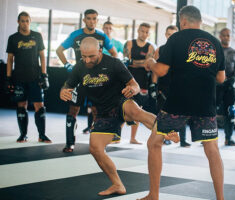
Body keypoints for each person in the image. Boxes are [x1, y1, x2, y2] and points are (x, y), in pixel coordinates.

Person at [59, 37, 177, 196]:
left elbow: (134, 85)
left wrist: (133, 90)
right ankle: (117, 184)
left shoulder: (114, 63)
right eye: (84, 56)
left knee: (135, 111)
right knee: (95, 148)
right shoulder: (79, 67)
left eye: (91, 56)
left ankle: (168, 131)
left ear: (100, 51)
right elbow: (67, 86)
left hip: (121, 101)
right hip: (103, 113)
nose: (87, 60)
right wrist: (63, 92)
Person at [139, 6, 225, 200]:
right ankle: (221, 198)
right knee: (212, 149)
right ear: (200, 20)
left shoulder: (176, 39)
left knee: (155, 143)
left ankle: (154, 194)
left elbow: (160, 71)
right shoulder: (215, 43)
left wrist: (151, 62)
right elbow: (221, 77)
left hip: (178, 103)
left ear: (182, 21)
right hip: (206, 105)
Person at [56, 9, 118, 152]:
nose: (91, 21)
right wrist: (67, 65)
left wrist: (109, 70)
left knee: (97, 111)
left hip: (98, 80)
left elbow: (114, 54)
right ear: (84, 20)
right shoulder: (76, 35)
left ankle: (97, 144)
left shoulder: (101, 36)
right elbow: (59, 50)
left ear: (97, 20)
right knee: (73, 110)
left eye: (94, 18)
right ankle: (70, 143)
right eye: (89, 18)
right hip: (79, 78)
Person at [5, 11, 51, 143]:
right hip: (19, 77)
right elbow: (9, 59)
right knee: (21, 105)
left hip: (35, 77)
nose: (25, 23)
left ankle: (42, 135)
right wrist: (8, 78)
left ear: (30, 21)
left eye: (27, 21)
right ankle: (23, 134)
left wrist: (44, 75)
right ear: (18, 22)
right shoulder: (13, 38)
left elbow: (42, 56)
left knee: (40, 106)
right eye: (22, 21)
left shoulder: (37, 36)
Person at [153, 25, 190, 147]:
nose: (171, 36)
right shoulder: (160, 49)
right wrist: (153, 85)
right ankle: (165, 137)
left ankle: (183, 140)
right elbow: (155, 69)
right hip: (163, 86)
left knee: (182, 113)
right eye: (169, 34)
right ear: (165, 35)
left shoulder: (184, 49)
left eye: (173, 34)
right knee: (163, 113)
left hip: (179, 86)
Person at [123, 23, 156, 144]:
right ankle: (116, 136)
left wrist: (136, 62)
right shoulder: (129, 44)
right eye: (142, 31)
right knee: (123, 107)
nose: (144, 34)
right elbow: (127, 62)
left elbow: (148, 66)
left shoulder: (150, 47)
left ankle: (132, 138)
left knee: (139, 109)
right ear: (138, 31)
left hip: (142, 81)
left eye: (147, 32)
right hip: (128, 80)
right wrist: (143, 62)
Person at [217, 28, 235, 146]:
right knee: (211, 111)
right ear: (220, 36)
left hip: (230, 86)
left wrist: (233, 79)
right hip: (216, 85)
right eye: (224, 35)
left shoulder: (234, 52)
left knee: (230, 112)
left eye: (228, 35)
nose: (226, 37)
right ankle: (207, 136)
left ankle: (228, 138)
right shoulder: (214, 50)